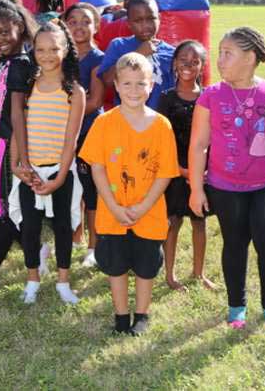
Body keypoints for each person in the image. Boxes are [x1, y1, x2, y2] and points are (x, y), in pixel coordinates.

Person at [188, 27, 265, 330]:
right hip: (225, 188)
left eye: (228, 54)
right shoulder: (210, 96)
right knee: (234, 244)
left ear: (250, 58)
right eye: (219, 53)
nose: (220, 60)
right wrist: (197, 189)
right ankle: (236, 307)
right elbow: (198, 145)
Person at [80, 52, 179, 335]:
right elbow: (97, 168)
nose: (134, 90)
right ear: (116, 85)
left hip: (149, 212)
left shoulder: (161, 126)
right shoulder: (104, 123)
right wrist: (113, 206)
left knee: (146, 267)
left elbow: (165, 173)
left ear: (151, 85)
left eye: (140, 83)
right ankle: (121, 316)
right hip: (113, 212)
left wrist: (144, 206)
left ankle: (142, 314)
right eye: (127, 84)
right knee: (117, 266)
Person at [8, 20, 85, 304]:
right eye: (40, 49)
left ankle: (63, 282)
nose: (47, 55)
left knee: (63, 227)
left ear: (65, 49)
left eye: (54, 48)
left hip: (59, 170)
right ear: (33, 51)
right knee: (29, 228)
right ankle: (32, 280)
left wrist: (60, 177)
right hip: (30, 171)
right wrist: (17, 165)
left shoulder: (74, 92)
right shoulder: (29, 87)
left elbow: (71, 140)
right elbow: (19, 128)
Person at [0, 0, 40, 293]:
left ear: (19, 27)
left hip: (6, 145)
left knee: (7, 207)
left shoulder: (21, 64)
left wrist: (21, 157)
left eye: (4, 32)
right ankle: (35, 249)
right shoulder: (2, 62)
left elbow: (17, 112)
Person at [157, 40, 216, 292]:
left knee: (199, 222)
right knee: (172, 222)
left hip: (202, 172)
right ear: (174, 63)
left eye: (195, 61)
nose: (188, 65)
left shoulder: (209, 97)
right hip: (175, 170)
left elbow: (214, 137)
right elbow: (162, 138)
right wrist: (180, 170)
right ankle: (170, 275)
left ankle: (198, 273)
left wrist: (203, 171)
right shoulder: (166, 98)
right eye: (183, 60)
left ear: (202, 66)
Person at [63, 2, 105, 267]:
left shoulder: (98, 59)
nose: (79, 27)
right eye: (73, 21)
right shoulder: (60, 56)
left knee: (91, 189)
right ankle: (75, 237)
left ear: (96, 26)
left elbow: (96, 100)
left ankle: (94, 246)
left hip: (90, 131)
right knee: (71, 186)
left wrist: (66, 114)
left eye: (86, 21)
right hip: (64, 132)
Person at [96, 0, 175, 109]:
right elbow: (107, 81)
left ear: (159, 18)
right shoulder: (119, 45)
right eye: (138, 21)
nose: (145, 25)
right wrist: (137, 54)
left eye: (151, 18)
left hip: (159, 117)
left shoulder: (171, 53)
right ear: (128, 23)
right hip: (126, 117)